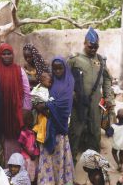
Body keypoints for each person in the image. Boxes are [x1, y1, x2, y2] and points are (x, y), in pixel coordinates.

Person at [67, 27, 114, 164]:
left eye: (96, 47)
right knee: (76, 131)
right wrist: (72, 95)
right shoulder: (74, 60)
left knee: (95, 131)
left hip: (95, 102)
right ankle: (71, 162)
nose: (94, 49)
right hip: (78, 102)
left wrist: (109, 98)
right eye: (91, 46)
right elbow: (65, 80)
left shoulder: (100, 60)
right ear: (84, 43)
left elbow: (106, 79)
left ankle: (94, 163)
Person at [35, 56, 75, 185]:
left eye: (60, 68)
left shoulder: (69, 82)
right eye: (55, 68)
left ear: (65, 68)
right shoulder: (49, 82)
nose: (57, 71)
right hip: (47, 127)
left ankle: (61, 180)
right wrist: (39, 106)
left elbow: (65, 106)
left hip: (60, 128)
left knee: (59, 156)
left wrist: (47, 106)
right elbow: (39, 98)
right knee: (48, 157)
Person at [31, 72, 53, 143]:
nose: (50, 84)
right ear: (43, 81)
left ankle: (37, 132)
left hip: (37, 109)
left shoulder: (39, 86)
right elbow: (45, 99)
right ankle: (40, 137)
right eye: (49, 82)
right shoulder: (43, 90)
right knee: (42, 122)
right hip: (39, 110)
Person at [18, 110, 39, 183]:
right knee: (27, 171)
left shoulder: (33, 131)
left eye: (32, 119)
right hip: (27, 157)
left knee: (33, 170)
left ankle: (32, 181)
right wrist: (30, 153)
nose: (32, 121)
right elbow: (22, 144)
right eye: (30, 119)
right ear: (25, 121)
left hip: (33, 155)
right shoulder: (24, 132)